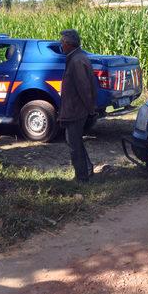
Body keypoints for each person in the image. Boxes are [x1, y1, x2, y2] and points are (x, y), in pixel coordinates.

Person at [57, 29, 97, 182]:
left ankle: (82, 177)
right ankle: (87, 169)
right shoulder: (76, 58)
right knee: (74, 141)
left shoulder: (77, 61)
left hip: (76, 111)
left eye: (62, 42)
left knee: (74, 145)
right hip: (75, 109)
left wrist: (90, 110)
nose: (61, 44)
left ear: (68, 44)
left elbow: (84, 88)